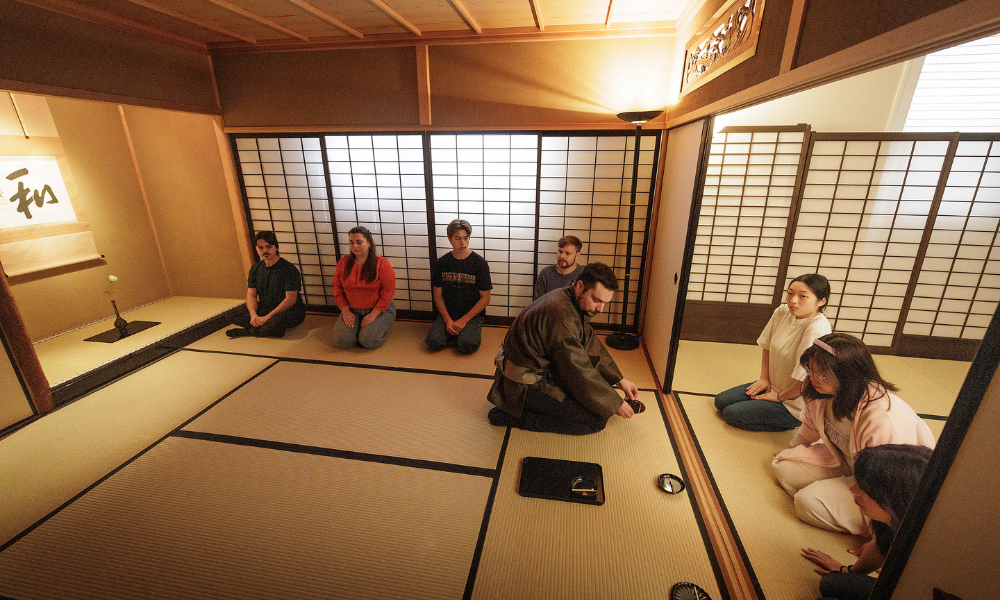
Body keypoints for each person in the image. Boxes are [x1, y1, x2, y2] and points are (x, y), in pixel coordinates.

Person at [772, 333, 936, 534]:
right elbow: (810, 426)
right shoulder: (819, 391)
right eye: (811, 370)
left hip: (883, 485)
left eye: (822, 374)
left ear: (848, 375)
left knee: (806, 502)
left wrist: (877, 542)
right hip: (846, 462)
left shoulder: (880, 417)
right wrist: (792, 447)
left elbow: (890, 484)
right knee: (783, 466)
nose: (813, 378)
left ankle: (869, 528)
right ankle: (834, 493)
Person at [486, 262, 639, 435]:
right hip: (524, 384)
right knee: (597, 419)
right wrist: (614, 403)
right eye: (597, 300)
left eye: (604, 303)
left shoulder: (568, 296)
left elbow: (589, 344)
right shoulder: (560, 313)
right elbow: (577, 370)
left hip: (539, 368)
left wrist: (619, 379)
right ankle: (515, 417)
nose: (600, 309)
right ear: (580, 286)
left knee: (598, 401)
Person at [800, 444, 933, 600]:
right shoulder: (897, 519)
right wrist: (848, 572)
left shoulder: (924, 545)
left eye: (864, 487)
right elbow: (881, 544)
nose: (852, 489)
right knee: (831, 582)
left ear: (893, 498)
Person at [715, 273, 833, 431]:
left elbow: (804, 380)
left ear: (822, 301)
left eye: (803, 296)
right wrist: (764, 379)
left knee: (731, 414)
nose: (793, 300)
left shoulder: (817, 328)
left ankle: (790, 421)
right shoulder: (783, 311)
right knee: (721, 401)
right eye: (790, 293)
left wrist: (779, 397)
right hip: (772, 386)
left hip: (793, 403)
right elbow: (767, 346)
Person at [425, 219, 492, 354]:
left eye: (465, 238)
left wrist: (463, 320)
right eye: (458, 238)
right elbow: (438, 296)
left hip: (472, 315)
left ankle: (459, 333)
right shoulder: (442, 263)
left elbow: (485, 298)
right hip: (448, 313)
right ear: (449, 239)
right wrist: (448, 320)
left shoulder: (480, 264)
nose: (463, 243)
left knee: (467, 345)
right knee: (433, 342)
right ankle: (451, 331)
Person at [227, 230, 306, 338]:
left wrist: (267, 317)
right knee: (231, 314)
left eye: (268, 247)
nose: (265, 250)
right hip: (265, 308)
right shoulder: (255, 269)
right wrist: (253, 315)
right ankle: (264, 329)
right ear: (256, 249)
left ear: (276, 247)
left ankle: (249, 332)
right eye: (260, 247)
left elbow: (290, 300)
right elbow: (251, 295)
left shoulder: (288, 269)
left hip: (289, 311)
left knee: (276, 322)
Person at [332, 226, 396, 349]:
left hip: (379, 309)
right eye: (351, 242)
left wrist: (373, 315)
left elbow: (388, 292)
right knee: (342, 341)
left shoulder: (382, 264)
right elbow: (338, 288)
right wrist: (345, 311)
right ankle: (359, 331)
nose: (355, 246)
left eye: (359, 242)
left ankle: (369, 331)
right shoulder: (343, 263)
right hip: (352, 310)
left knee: (368, 341)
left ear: (368, 243)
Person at [533, 235, 585, 300]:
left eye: (567, 253)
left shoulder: (584, 275)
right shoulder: (546, 273)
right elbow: (537, 303)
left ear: (577, 256)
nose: (562, 256)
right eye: (560, 252)